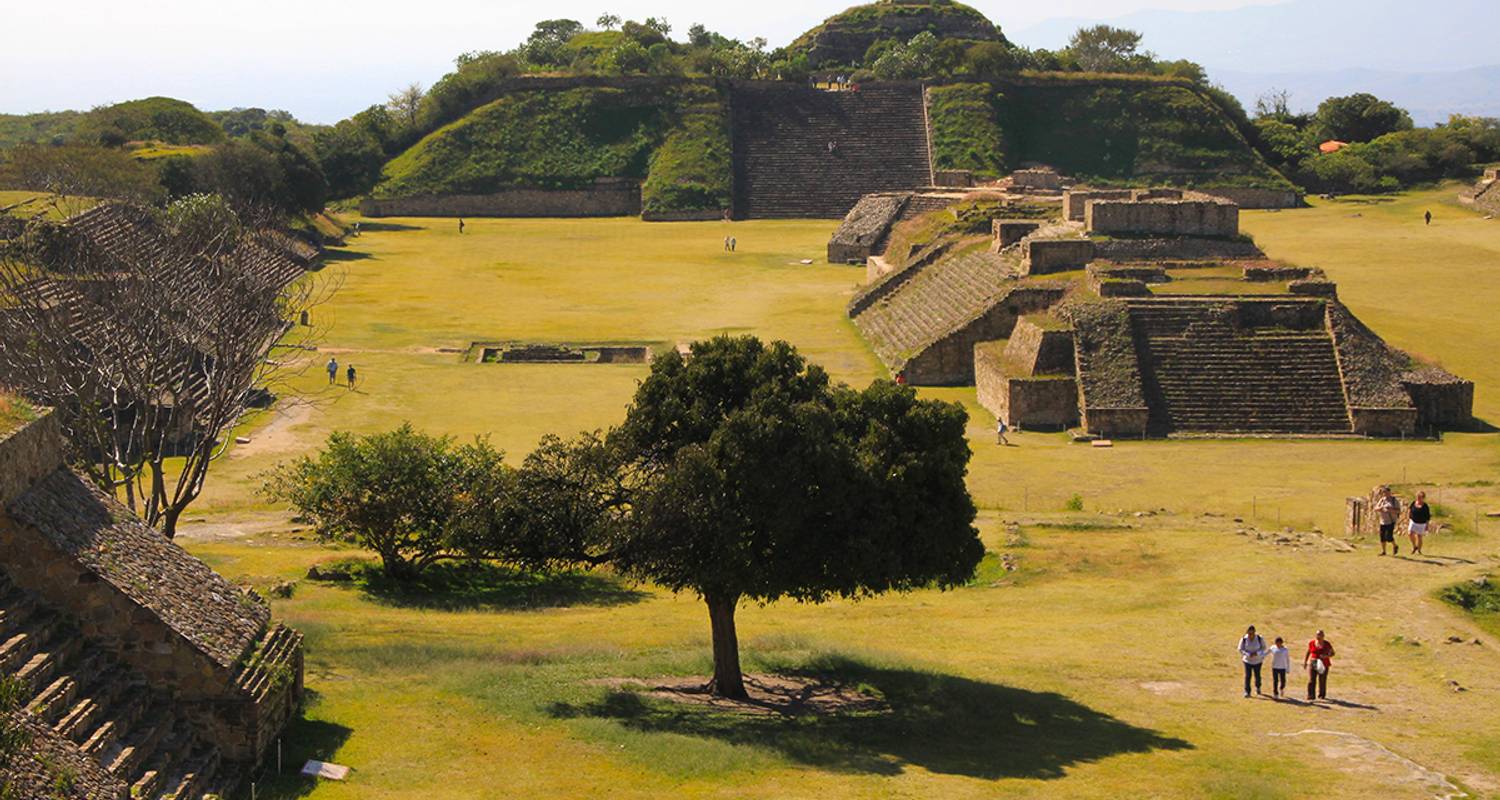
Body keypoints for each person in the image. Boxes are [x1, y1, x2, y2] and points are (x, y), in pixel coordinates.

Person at [1304, 630, 1335, 701]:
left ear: (1323, 636)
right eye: (1317, 635)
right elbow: (1308, 652)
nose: (1319, 636)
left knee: (1322, 680)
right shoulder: (1312, 643)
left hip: (1324, 663)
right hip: (1313, 662)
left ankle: (1322, 695)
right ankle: (1311, 695)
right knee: (1311, 680)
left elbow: (1332, 653)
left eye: (1320, 635)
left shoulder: (1327, 644)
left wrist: (1326, 656)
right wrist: (1305, 662)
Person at [1238, 625, 1267, 697]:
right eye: (1249, 634)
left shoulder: (1260, 638)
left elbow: (1264, 647)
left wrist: (1257, 653)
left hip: (1258, 661)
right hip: (1247, 661)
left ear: (1255, 632)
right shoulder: (1244, 639)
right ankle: (1247, 691)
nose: (1251, 635)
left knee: (1257, 675)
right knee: (1248, 676)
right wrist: (1247, 654)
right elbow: (1240, 649)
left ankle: (1258, 687)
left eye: (1252, 633)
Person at [1375, 486, 1401, 555]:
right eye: (1384, 492)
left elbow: (1398, 511)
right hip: (1382, 521)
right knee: (1382, 537)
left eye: (1387, 492)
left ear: (1390, 492)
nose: (1385, 494)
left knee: (1389, 537)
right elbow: (1376, 508)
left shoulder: (1394, 501)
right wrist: (1381, 508)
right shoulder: (1382, 500)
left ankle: (1395, 545)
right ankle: (1384, 551)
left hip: (1391, 521)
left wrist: (1390, 510)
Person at [1407, 491, 1432, 555]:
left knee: (1419, 536)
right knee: (1410, 533)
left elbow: (1427, 516)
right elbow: (1410, 509)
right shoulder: (1413, 503)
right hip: (1413, 521)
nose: (1418, 498)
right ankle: (1414, 546)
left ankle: (1419, 550)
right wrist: (1408, 517)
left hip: (1421, 523)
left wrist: (1427, 525)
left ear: (1423, 498)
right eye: (1417, 497)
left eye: (1420, 497)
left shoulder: (1425, 506)